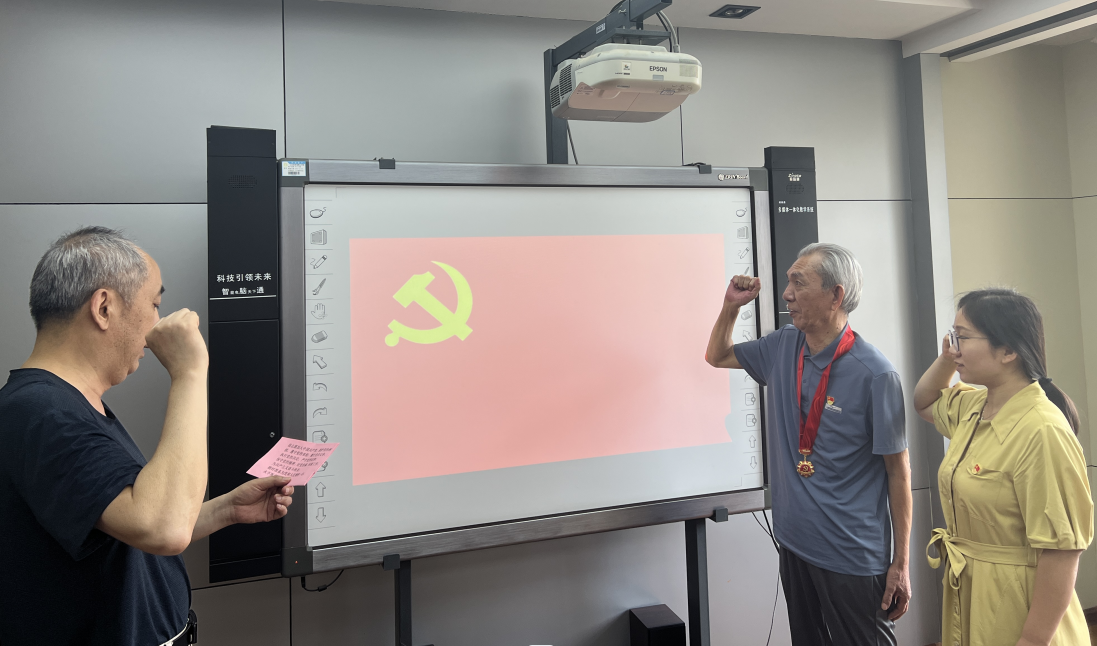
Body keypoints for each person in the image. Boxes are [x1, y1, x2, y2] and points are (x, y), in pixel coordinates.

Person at [0, 227, 295, 646]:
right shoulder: (43, 413)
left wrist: (225, 510)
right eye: (154, 304)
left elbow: (132, 522)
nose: (157, 326)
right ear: (104, 307)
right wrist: (190, 373)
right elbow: (163, 528)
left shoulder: (57, 406)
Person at [706, 242, 912, 646]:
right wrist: (731, 306)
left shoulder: (875, 375)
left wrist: (901, 563)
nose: (787, 294)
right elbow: (717, 355)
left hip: (851, 553)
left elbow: (899, 473)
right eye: (788, 282)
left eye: (799, 283)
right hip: (795, 542)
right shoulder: (782, 346)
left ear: (835, 295)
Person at [913, 288, 1092, 646]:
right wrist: (947, 358)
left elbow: (1062, 551)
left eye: (962, 337)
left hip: (1019, 604)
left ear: (1008, 351)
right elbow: (925, 401)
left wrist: (1032, 640)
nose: (955, 347)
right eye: (952, 337)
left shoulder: (1042, 430)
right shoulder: (974, 407)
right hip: (971, 591)